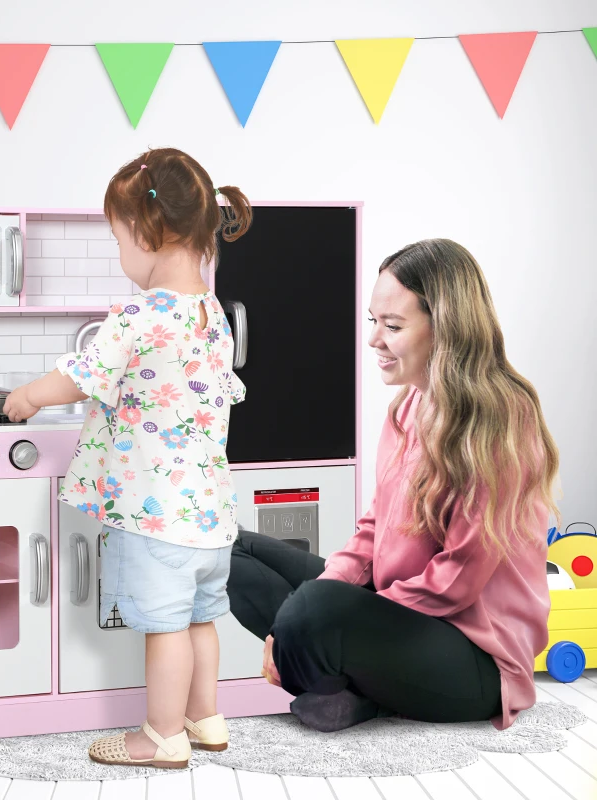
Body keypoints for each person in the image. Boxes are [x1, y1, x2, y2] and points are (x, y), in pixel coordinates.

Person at [228, 239, 559, 733]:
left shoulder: (501, 416)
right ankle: (347, 684)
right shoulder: (409, 406)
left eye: (393, 326)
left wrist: (322, 614)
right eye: (373, 321)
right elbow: (374, 527)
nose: (374, 339)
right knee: (222, 547)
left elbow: (459, 579)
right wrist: (318, 604)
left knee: (315, 610)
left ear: (445, 328)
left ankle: (341, 678)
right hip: (402, 615)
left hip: (474, 655)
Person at [4, 148, 252, 768]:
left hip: (154, 514)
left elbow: (79, 377)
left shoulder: (139, 315)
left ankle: (161, 737)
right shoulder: (211, 314)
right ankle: (206, 718)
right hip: (209, 514)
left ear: (148, 233)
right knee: (200, 621)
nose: (120, 258)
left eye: (118, 242)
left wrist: (28, 397)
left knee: (164, 628)